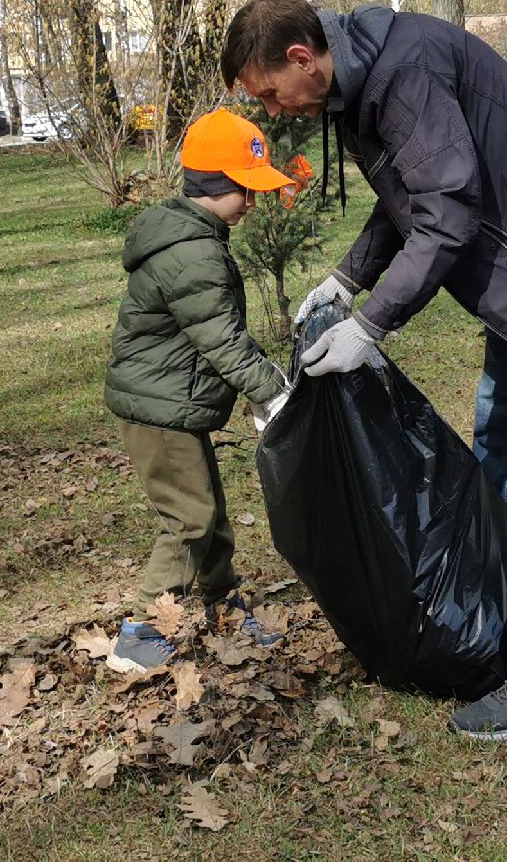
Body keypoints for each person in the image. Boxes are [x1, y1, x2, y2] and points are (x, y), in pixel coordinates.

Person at [223, 0, 507, 742]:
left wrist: (371, 323)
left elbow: (447, 207)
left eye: (271, 93)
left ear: (302, 58)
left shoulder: (404, 73)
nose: (273, 111)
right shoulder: (356, 88)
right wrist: (347, 279)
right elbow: (403, 197)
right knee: (497, 446)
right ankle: (488, 625)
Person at [101, 108, 295, 672]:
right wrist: (273, 392)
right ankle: (140, 630)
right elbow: (222, 341)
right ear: (213, 185)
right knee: (190, 518)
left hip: (171, 405)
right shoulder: (193, 254)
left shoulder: (196, 237)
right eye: (245, 190)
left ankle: (221, 603)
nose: (252, 203)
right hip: (157, 410)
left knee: (210, 511)